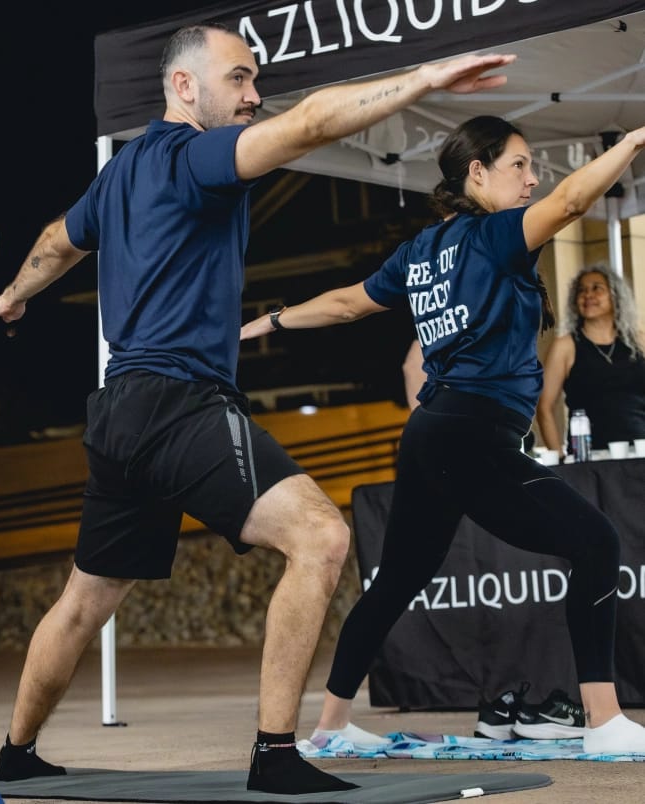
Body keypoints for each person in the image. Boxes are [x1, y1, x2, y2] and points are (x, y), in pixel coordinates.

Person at [0, 22, 516, 793]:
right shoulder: (196, 158)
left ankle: (16, 754)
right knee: (322, 538)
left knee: (86, 599)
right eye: (239, 78)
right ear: (184, 87)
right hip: (178, 403)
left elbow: (59, 237)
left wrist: (10, 299)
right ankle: (275, 755)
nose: (255, 94)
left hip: (121, 411)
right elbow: (312, 122)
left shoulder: (121, 174)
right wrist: (425, 78)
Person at [241, 114, 645, 754]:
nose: (532, 178)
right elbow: (572, 200)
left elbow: (349, 303)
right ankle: (603, 721)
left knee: (398, 579)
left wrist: (270, 320)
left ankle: (329, 726)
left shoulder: (422, 250)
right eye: (519, 165)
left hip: (432, 432)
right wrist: (632, 141)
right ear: (476, 172)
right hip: (472, 431)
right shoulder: (497, 236)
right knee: (595, 540)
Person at [536, 263, 645, 457]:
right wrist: (559, 457)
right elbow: (544, 407)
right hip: (590, 457)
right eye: (582, 290)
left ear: (616, 296)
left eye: (597, 288)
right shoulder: (565, 346)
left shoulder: (640, 340)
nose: (588, 295)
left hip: (640, 450)